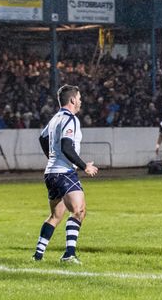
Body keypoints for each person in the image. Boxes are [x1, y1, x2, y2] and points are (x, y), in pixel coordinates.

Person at [32, 85, 99, 264]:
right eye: (79, 98)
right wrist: (84, 166)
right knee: (79, 211)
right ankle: (69, 254)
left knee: (56, 215)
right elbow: (67, 147)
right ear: (72, 100)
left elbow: (42, 138)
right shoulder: (71, 119)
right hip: (64, 173)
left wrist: (52, 158)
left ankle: (38, 254)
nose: (81, 101)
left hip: (51, 173)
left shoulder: (55, 118)